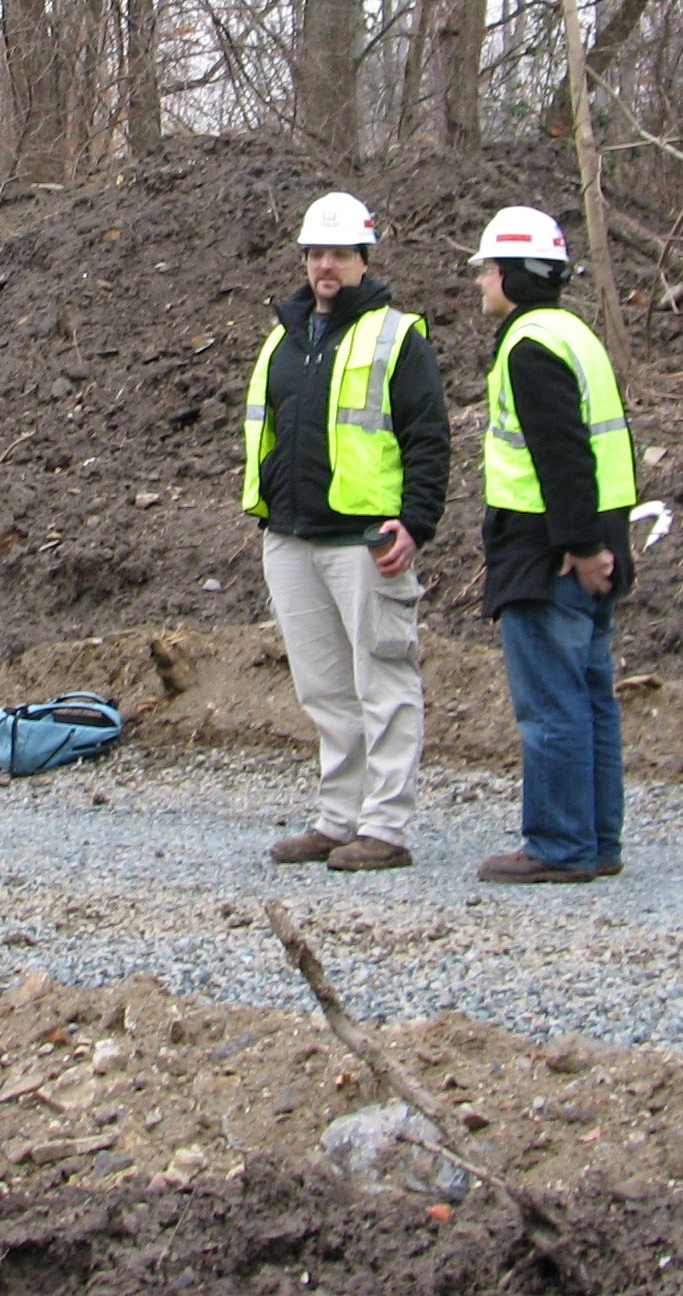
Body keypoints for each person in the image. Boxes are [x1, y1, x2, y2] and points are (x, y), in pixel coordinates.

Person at [245, 192, 449, 872]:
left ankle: (385, 827)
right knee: (325, 688)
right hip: (292, 538)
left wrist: (415, 522)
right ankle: (339, 818)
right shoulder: (283, 336)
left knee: (384, 680)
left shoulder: (398, 335)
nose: (324, 265)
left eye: (337, 254)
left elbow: (428, 438)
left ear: (364, 259)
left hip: (365, 540)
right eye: (314, 253)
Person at [469, 206, 637, 885]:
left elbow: (561, 451)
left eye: (487, 269)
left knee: (552, 704)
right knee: (592, 698)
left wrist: (578, 541)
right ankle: (596, 842)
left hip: (548, 553)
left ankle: (559, 844)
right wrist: (602, 543)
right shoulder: (577, 335)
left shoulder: (530, 345)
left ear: (512, 274)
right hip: (589, 544)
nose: (480, 281)